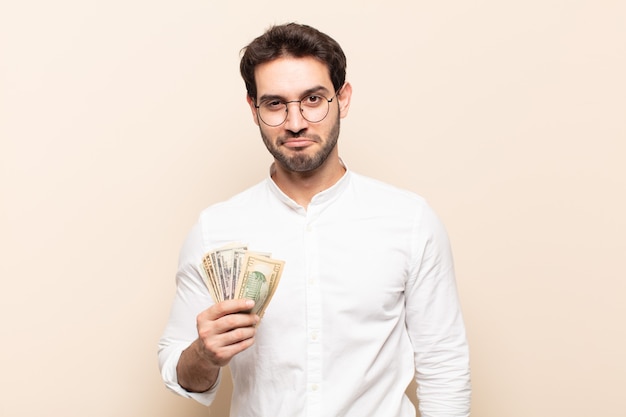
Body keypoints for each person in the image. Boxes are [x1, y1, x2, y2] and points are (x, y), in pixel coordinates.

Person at [158, 22, 471, 417]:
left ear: (343, 99)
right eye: (275, 104)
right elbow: (181, 372)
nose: (295, 122)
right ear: (254, 111)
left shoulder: (409, 220)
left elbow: (444, 364)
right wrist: (204, 353)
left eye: (313, 99)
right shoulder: (215, 229)